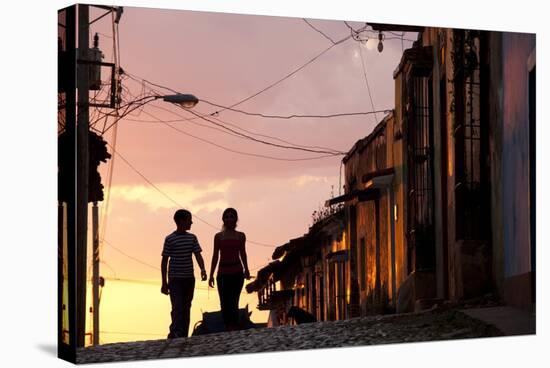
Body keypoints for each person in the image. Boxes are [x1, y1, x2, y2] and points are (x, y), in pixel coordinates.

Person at [161, 209, 207, 339]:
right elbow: (164, 261)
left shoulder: (192, 238)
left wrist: (203, 269)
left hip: (189, 279)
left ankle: (183, 333)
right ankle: (175, 331)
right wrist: (164, 282)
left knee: (186, 306)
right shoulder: (170, 239)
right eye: (189, 220)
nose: (191, 222)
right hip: (175, 279)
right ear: (181, 221)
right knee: (177, 307)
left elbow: (198, 255)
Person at [208, 208, 250, 331]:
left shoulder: (241, 236)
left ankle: (234, 326)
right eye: (227, 216)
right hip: (222, 273)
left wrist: (246, 270)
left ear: (236, 219)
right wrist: (211, 275)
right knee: (224, 302)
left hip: (237, 273)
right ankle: (228, 326)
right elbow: (215, 255)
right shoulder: (218, 237)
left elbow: (243, 253)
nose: (229, 219)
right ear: (223, 219)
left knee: (234, 301)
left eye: (232, 216)